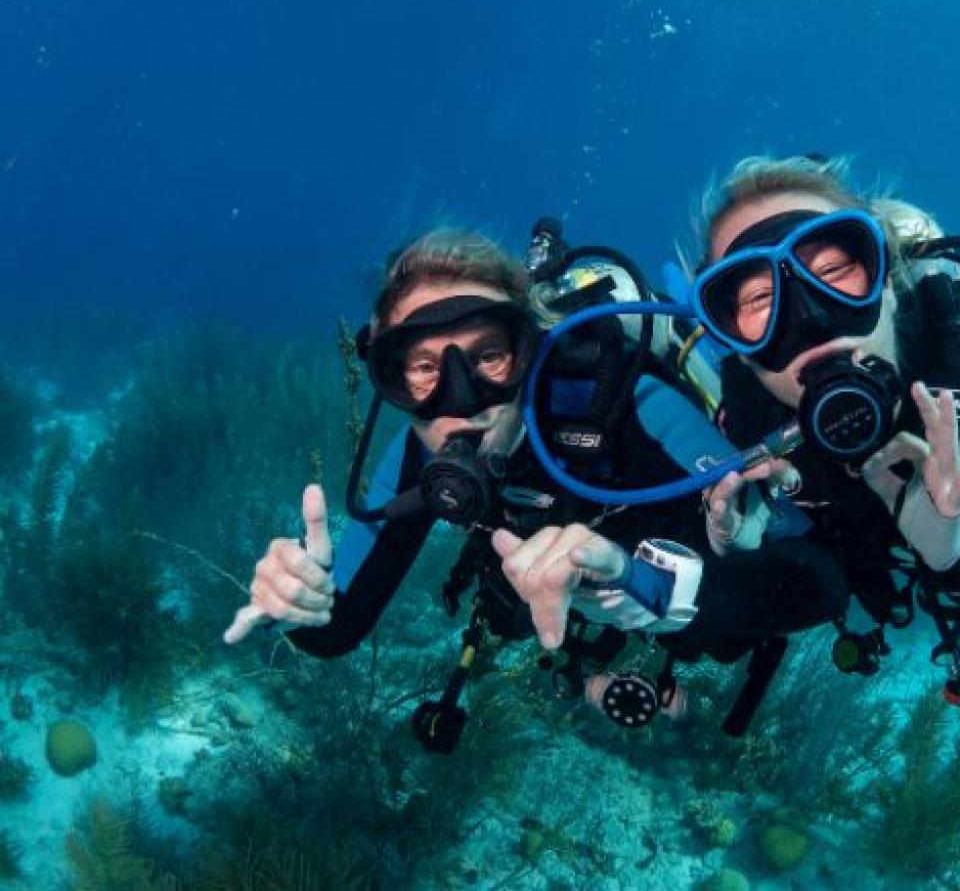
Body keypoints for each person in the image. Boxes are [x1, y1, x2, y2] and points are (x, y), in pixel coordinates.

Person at [224, 225, 850, 741]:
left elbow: (815, 577)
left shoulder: (623, 401)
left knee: (717, 643)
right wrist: (299, 607)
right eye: (420, 367)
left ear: (531, 352)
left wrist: (636, 581)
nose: (461, 401)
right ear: (390, 381)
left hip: (678, 582)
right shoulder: (419, 446)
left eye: (490, 356)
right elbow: (336, 627)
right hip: (561, 599)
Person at [689, 155, 960, 715]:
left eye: (833, 272)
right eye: (760, 300)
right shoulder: (749, 418)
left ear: (886, 279)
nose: (810, 319)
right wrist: (736, 553)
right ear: (735, 344)